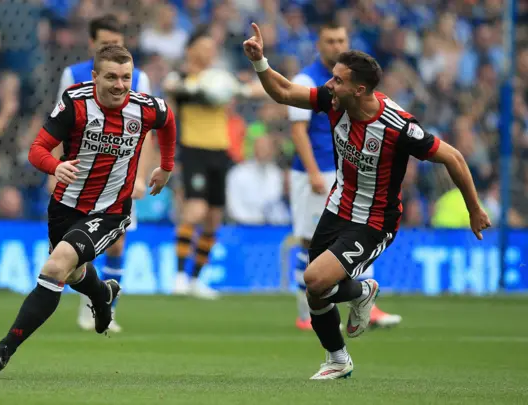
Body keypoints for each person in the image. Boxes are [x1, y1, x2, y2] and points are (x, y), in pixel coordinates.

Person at [243, 23, 491, 379]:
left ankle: (361, 292)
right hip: (336, 207)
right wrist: (260, 61)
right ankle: (338, 358)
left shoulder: (398, 126)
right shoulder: (333, 101)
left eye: (338, 80)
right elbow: (282, 92)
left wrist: (474, 208)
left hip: (374, 222)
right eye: (331, 78)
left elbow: (453, 157)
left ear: (359, 89)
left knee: (314, 279)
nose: (329, 85)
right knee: (316, 292)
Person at [0, 45, 176, 373]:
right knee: (72, 273)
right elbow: (37, 149)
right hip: (65, 206)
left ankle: (4, 349)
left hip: (110, 211)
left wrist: (166, 167)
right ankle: (102, 295)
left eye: (126, 77)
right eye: (111, 77)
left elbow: (168, 121)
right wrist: (55, 167)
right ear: (95, 76)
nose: (120, 85)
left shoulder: (145, 108)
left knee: (55, 267)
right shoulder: (76, 103)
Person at [287, 22, 401, 331]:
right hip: (315, 172)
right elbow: (298, 131)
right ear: (319, 44)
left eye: (341, 39)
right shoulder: (307, 79)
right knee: (311, 243)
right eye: (330, 40)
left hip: (345, 173)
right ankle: (305, 313)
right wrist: (312, 172)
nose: (336, 45)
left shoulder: (353, 84)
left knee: (357, 237)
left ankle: (365, 303)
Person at [56, 14, 154, 333]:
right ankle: (91, 300)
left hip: (121, 175)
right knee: (82, 243)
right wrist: (56, 168)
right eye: (104, 44)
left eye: (117, 44)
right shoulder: (73, 75)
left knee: (116, 243)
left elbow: (148, 133)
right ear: (92, 44)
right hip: (82, 175)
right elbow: (60, 124)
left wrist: (141, 176)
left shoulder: (138, 78)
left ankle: (104, 311)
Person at [164, 26, 264, 299]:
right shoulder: (181, 78)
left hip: (220, 151)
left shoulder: (220, 78)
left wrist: (258, 87)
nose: (210, 52)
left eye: (212, 48)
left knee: (213, 218)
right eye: (204, 47)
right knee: (194, 210)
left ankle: (196, 279)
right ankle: (179, 276)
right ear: (190, 49)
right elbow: (174, 93)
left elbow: (247, 91)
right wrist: (209, 93)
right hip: (194, 149)